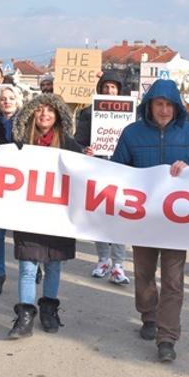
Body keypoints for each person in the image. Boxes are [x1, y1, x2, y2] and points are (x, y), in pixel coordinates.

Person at [111, 79, 189, 363]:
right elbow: (117, 170)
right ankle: (148, 315)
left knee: (173, 280)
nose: (164, 110)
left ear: (177, 107)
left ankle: (167, 337)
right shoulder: (132, 134)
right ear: (149, 106)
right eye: (159, 104)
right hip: (143, 220)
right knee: (143, 275)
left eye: (169, 104)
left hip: (177, 224)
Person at [6, 93, 82, 339]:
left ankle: (49, 310)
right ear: (32, 114)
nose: (45, 114)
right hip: (28, 214)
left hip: (58, 216)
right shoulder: (19, 143)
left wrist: (89, 158)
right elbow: (1, 165)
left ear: (57, 114)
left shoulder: (70, 145)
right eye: (40, 110)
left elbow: (83, 174)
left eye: (50, 110)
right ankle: (25, 317)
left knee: (53, 265)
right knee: (28, 267)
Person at [74, 71, 130, 284]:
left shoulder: (129, 112)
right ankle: (103, 260)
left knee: (118, 218)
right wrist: (85, 149)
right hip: (97, 169)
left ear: (119, 90)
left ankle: (118, 265)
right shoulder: (89, 112)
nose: (109, 91)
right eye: (106, 87)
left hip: (120, 170)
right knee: (98, 217)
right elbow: (79, 140)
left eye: (113, 87)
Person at [0, 85, 23, 296]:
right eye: (3, 99)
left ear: (17, 101)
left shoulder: (28, 122)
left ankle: (32, 266)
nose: (7, 102)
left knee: (22, 233)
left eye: (10, 98)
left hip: (21, 186)